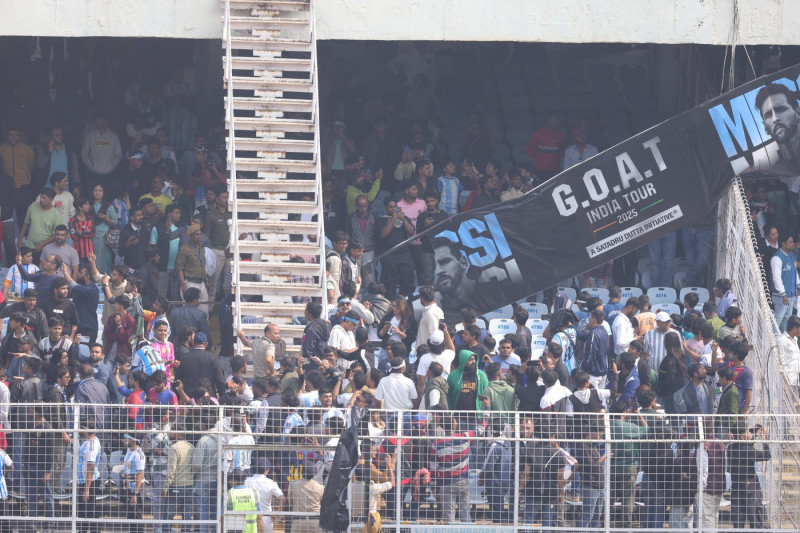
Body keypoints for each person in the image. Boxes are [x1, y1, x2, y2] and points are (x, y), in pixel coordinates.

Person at [729, 423, 771, 530]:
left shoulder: (731, 448)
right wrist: (764, 438)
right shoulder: (747, 450)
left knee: (738, 522)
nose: (750, 434)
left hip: (737, 489)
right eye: (748, 433)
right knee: (756, 519)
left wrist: (754, 432)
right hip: (751, 490)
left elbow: (746, 446)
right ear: (742, 436)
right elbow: (767, 455)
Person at [755, 83, 800, 174]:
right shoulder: (771, 169)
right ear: (765, 128)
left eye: (781, 109)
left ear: (797, 113)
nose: (775, 119)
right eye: (768, 115)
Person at [377, 197, 415, 296]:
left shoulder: (404, 218)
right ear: (385, 207)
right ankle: (390, 306)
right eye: (390, 207)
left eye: (395, 207)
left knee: (406, 280)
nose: (393, 209)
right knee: (389, 282)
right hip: (388, 254)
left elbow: (411, 232)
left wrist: (403, 219)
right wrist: (392, 220)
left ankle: (406, 305)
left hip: (404, 254)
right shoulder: (380, 220)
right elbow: (383, 234)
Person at [18, 188, 64, 262]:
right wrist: (20, 238)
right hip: (30, 247)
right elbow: (26, 223)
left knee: (42, 271)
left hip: (45, 249)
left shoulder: (56, 215)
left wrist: (42, 244)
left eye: (44, 198)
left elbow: (56, 235)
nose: (41, 200)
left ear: (51, 199)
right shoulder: (32, 207)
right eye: (41, 197)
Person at [175, 224, 209, 315]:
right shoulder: (184, 249)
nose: (199, 236)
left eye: (200, 234)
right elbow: (180, 268)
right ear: (190, 236)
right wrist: (183, 284)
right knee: (189, 312)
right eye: (196, 235)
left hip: (201, 283)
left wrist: (206, 279)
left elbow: (203, 265)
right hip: (190, 283)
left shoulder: (201, 248)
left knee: (204, 312)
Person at [81, 113, 122, 186]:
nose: (96, 122)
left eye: (99, 120)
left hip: (110, 173)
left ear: (105, 121)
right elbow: (84, 154)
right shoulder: (90, 137)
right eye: (96, 120)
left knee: (109, 195)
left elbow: (118, 154)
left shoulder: (113, 137)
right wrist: (91, 166)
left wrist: (112, 166)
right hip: (93, 173)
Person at [245, 458, 284, 533]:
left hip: (250, 518)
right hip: (266, 518)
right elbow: (283, 499)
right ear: (267, 470)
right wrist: (277, 514)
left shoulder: (246, 481)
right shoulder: (271, 483)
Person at [77, 422, 102, 533]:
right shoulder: (87, 442)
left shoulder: (91, 446)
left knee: (89, 510)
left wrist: (87, 489)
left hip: (88, 482)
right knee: (84, 510)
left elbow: (90, 468)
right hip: (84, 481)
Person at [771, 232, 799, 332]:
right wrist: (783, 293)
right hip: (781, 295)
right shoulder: (777, 257)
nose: (793, 244)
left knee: (787, 318)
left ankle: (783, 338)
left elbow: (794, 272)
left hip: (791, 293)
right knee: (778, 318)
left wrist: (798, 286)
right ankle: (772, 340)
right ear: (783, 243)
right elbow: (776, 278)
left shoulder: (791, 255)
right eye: (790, 242)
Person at [526, 111, 566, 180]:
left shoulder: (560, 135)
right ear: (548, 120)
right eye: (554, 118)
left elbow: (562, 152)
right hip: (540, 170)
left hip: (555, 170)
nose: (557, 120)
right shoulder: (538, 134)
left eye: (557, 118)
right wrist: (541, 160)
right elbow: (530, 150)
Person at [656, 331, 688, 413]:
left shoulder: (668, 360)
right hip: (680, 393)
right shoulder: (681, 355)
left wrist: (660, 390)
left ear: (666, 342)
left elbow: (669, 378)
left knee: (672, 418)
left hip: (668, 394)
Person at [89, 184, 118, 275]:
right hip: (90, 236)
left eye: (100, 190)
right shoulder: (88, 205)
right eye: (95, 190)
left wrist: (106, 219)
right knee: (93, 259)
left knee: (105, 260)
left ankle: (105, 279)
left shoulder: (108, 206)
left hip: (104, 237)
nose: (98, 192)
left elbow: (115, 222)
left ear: (103, 192)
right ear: (92, 192)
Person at [41, 276, 79, 342]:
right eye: (63, 289)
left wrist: (71, 338)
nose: (66, 291)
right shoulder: (46, 304)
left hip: (66, 337)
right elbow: (42, 322)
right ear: (55, 290)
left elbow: (75, 324)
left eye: (67, 288)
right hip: (49, 337)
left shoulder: (70, 304)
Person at [123, 434, 147, 533]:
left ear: (132, 440)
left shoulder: (139, 454)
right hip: (127, 485)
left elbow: (140, 475)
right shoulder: (129, 451)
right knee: (130, 515)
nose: (123, 440)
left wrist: (135, 493)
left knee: (137, 514)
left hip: (136, 488)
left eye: (125, 438)